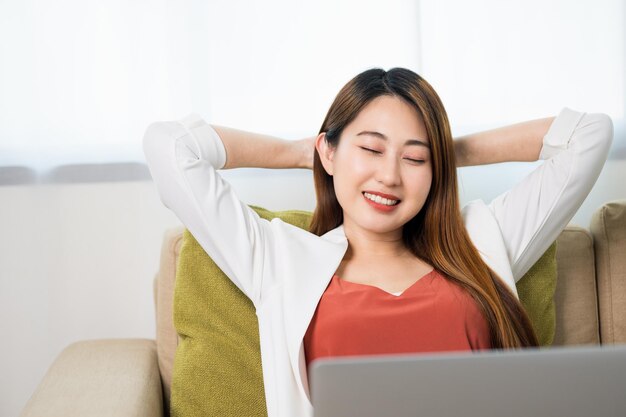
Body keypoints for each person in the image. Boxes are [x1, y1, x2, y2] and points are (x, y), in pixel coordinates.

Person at [142, 67, 613, 417]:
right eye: (369, 149)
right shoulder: (279, 259)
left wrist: (445, 152)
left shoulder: (480, 243)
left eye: (414, 158)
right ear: (329, 150)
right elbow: (171, 146)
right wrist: (300, 153)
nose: (389, 176)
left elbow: (588, 135)